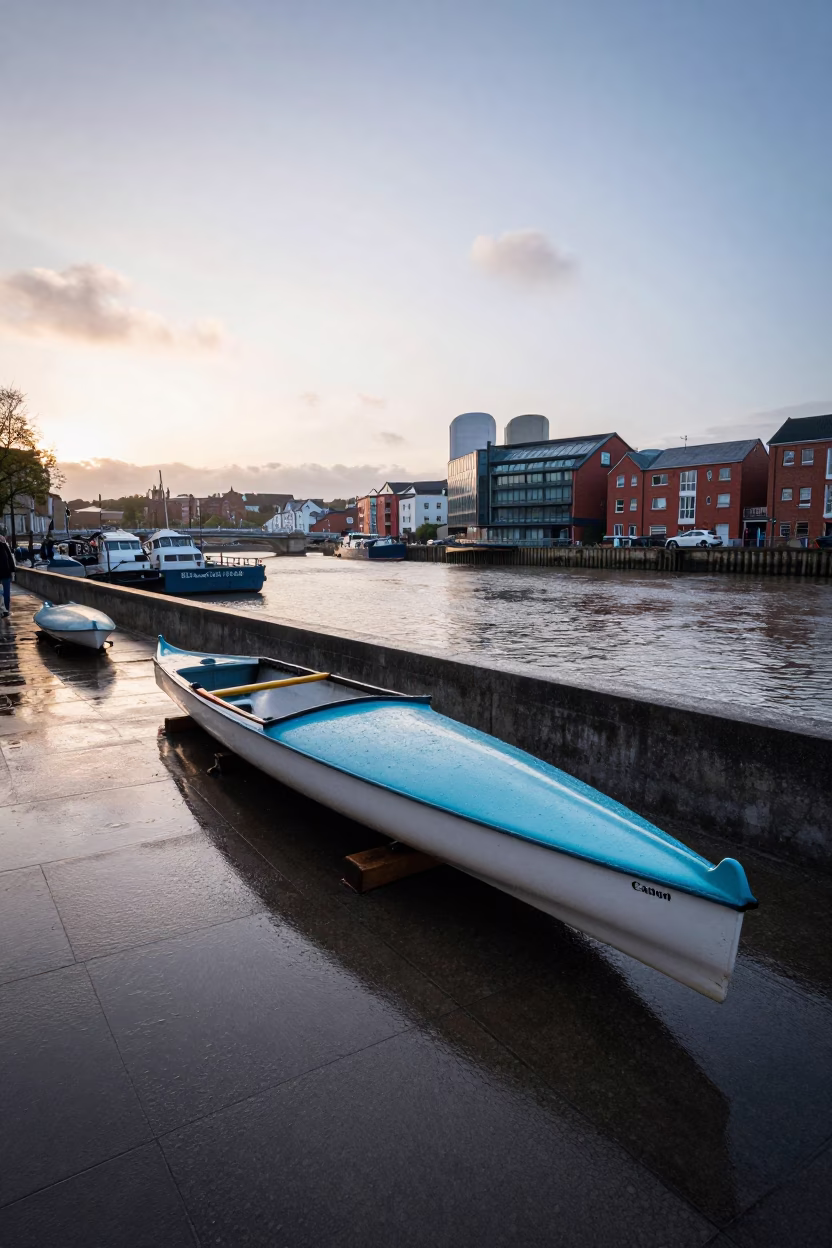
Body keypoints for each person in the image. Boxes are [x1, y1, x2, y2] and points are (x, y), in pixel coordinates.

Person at [0, 535, 15, 617]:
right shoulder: (4, 545)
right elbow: (10, 558)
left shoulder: (4, 545)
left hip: (5, 572)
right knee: (6, 592)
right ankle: (5, 610)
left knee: (4, 592)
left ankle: (3, 609)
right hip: (6, 572)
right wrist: (12, 571)